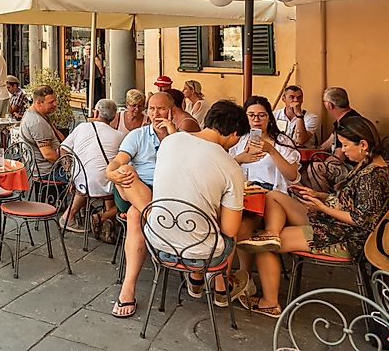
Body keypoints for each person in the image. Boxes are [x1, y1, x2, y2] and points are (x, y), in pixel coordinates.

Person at [238, 115, 389, 318]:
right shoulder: (368, 165)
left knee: (262, 245)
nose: (343, 150)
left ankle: (270, 302)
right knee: (274, 196)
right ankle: (272, 232)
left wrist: (323, 207)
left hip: (347, 237)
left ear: (363, 144)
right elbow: (350, 201)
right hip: (334, 223)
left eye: (346, 145)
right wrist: (319, 196)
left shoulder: (373, 176)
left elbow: (361, 220)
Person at [140, 100, 254, 309]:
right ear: (235, 134)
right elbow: (229, 229)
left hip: (157, 242)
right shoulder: (230, 167)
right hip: (200, 254)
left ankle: (196, 281)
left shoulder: (170, 142)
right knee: (229, 229)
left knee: (196, 217)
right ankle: (221, 290)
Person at [103, 92, 177, 317]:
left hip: (163, 195)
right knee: (125, 170)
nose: (156, 114)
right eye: (152, 109)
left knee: (136, 217)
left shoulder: (181, 138)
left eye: (161, 109)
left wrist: (172, 136)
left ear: (171, 111)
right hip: (134, 190)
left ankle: (128, 289)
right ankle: (159, 225)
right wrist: (110, 172)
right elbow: (118, 161)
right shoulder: (138, 135)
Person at [230, 96, 300, 274]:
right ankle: (239, 276)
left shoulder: (282, 142)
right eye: (251, 115)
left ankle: (243, 274)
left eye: (261, 115)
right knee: (239, 224)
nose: (256, 120)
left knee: (244, 225)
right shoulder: (238, 140)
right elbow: (223, 166)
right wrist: (240, 159)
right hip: (245, 194)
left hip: (272, 198)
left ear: (269, 117)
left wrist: (272, 151)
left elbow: (292, 175)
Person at [60, 99, 125, 236]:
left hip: (80, 182)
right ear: (114, 117)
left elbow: (63, 149)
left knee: (94, 179)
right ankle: (106, 217)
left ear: (96, 112)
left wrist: (69, 172)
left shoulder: (82, 127)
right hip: (104, 184)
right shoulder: (119, 136)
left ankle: (69, 216)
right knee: (113, 181)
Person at [20, 85, 65, 180]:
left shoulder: (38, 115)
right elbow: (48, 155)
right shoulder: (37, 122)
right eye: (51, 102)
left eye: (55, 100)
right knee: (85, 179)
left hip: (46, 168)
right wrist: (67, 161)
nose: (55, 104)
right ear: (39, 103)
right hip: (49, 171)